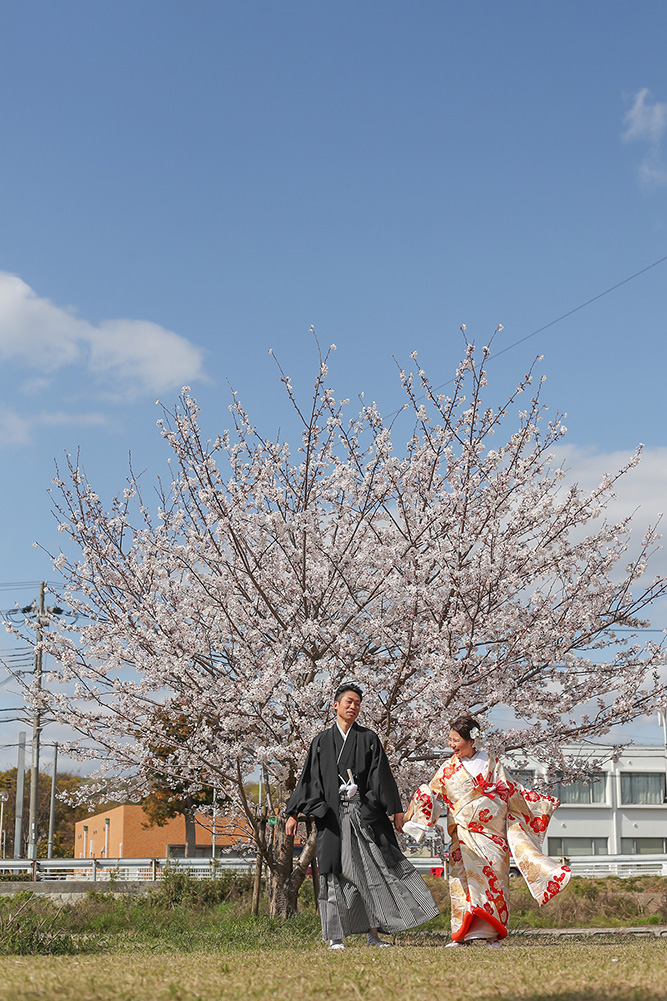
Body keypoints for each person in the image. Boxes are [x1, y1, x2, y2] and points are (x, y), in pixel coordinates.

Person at [285, 683, 439, 950]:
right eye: (348, 701)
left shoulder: (368, 739)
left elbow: (382, 778)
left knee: (372, 873)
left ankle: (373, 934)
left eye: (357, 702)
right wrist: (293, 813)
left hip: (363, 816)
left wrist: (396, 811)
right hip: (332, 819)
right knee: (333, 874)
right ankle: (336, 937)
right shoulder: (321, 742)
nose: (353, 706)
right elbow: (308, 780)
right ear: (335, 704)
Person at [404, 714, 570, 946]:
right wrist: (420, 813)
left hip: (492, 835)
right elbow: (432, 792)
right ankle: (462, 934)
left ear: (472, 740)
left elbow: (512, 790)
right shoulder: (447, 768)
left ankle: (492, 934)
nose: (452, 745)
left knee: (495, 882)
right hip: (462, 835)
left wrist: (541, 803)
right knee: (463, 883)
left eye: (455, 740)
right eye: (450, 740)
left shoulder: (492, 763)